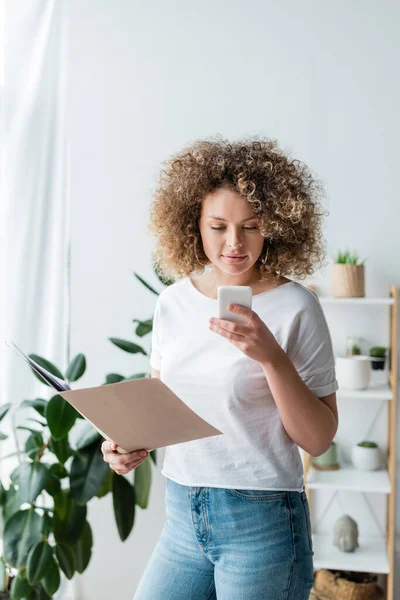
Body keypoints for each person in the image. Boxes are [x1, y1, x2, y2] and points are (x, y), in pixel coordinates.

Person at [101, 136, 339, 599]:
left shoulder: (296, 307)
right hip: (182, 515)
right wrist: (126, 445)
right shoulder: (173, 302)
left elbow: (319, 439)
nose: (234, 243)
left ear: (274, 225)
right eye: (218, 226)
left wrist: (271, 357)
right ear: (193, 225)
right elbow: (160, 407)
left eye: (251, 226)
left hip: (263, 522)